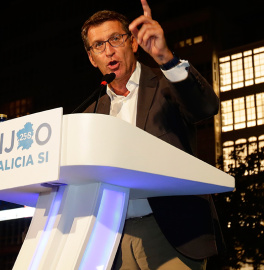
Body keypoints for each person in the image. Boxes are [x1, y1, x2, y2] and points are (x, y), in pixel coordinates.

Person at [80, 0, 223, 269]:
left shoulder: (167, 84)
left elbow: (206, 107)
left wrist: (166, 58)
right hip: (112, 240)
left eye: (115, 39)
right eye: (99, 45)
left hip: (172, 234)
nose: (109, 50)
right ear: (91, 58)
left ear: (133, 43)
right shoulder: (90, 113)